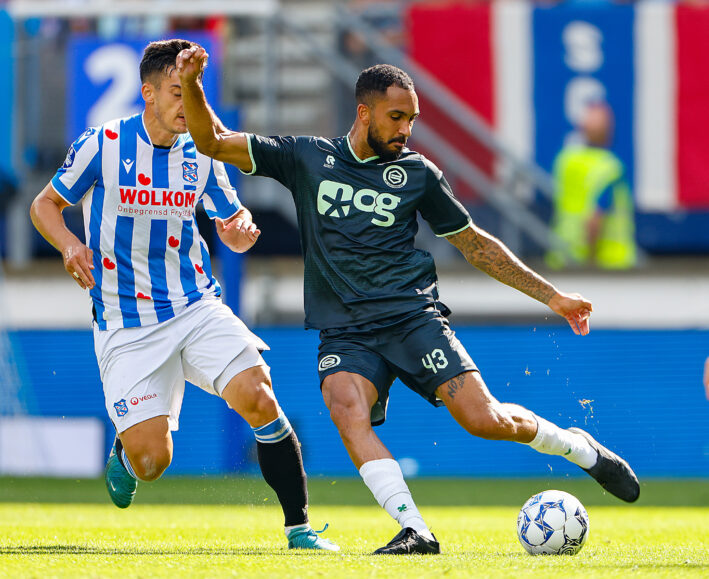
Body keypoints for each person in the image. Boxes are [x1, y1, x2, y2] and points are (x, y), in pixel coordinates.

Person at [177, 48, 640, 555]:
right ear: (364, 112)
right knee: (344, 408)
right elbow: (212, 141)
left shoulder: (418, 173)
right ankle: (415, 529)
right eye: (396, 117)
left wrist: (552, 296)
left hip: (412, 318)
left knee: (485, 420)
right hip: (347, 330)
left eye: (412, 120)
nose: (405, 130)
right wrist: (195, 84)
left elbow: (476, 243)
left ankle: (578, 447)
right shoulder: (307, 158)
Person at [29, 39, 338, 552]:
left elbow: (229, 220)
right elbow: (45, 204)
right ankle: (128, 454)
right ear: (147, 93)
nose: (185, 104)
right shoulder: (102, 143)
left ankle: (299, 529)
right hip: (126, 320)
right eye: (177, 92)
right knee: (154, 463)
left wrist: (238, 230)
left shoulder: (201, 152)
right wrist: (68, 246)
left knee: (260, 397)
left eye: (192, 92)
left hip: (195, 305)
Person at [546, 101, 637, 270]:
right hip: (607, 261)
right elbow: (595, 218)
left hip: (563, 255)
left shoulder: (566, 161)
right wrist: (591, 260)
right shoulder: (609, 167)